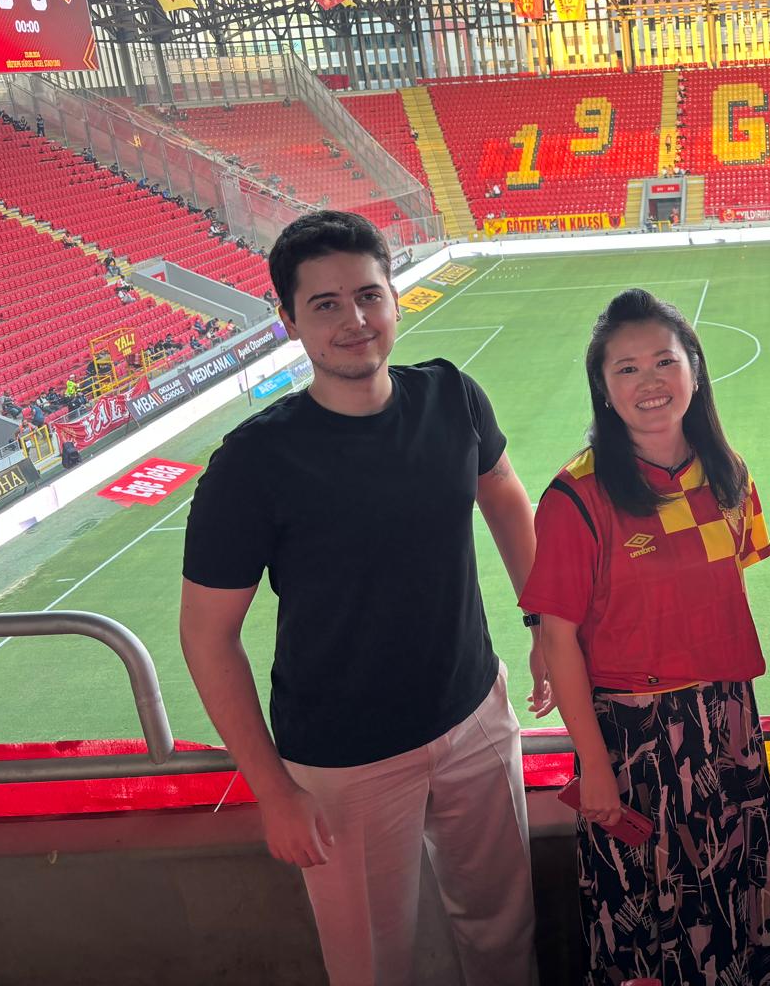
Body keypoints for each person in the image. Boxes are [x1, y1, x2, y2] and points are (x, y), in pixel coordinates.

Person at [179, 211, 547, 986]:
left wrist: (541, 617)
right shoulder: (253, 463)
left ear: (395, 299)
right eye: (325, 304)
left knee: (505, 928)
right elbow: (208, 638)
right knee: (373, 964)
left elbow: (505, 494)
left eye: (369, 295)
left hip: (476, 713)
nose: (355, 320)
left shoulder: (452, 396)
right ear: (289, 322)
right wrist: (273, 789)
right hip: (343, 761)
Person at [520, 288, 770, 986]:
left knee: (741, 898)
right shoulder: (575, 497)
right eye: (625, 369)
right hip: (633, 739)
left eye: (664, 361)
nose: (649, 382)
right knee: (645, 916)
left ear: (695, 371)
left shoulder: (729, 473)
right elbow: (558, 640)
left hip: (727, 726)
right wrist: (592, 763)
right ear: (603, 387)